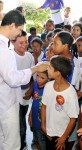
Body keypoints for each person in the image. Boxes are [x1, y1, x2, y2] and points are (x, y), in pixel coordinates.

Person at [0, 10, 48, 150]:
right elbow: (13, 79)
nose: (19, 33)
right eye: (20, 30)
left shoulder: (5, 46)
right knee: (11, 143)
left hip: (4, 100)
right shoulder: (3, 50)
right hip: (5, 103)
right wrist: (35, 69)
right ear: (12, 25)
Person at [41, 55, 79, 150]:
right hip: (48, 131)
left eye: (50, 67)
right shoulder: (48, 86)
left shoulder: (70, 93)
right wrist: (43, 126)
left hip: (61, 135)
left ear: (58, 73)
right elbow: (44, 106)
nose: (47, 68)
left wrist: (63, 137)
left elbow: (73, 118)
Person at [11, 30, 35, 150]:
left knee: (22, 120)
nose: (24, 45)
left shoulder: (29, 56)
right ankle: (21, 144)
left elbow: (32, 76)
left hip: (26, 95)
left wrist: (30, 89)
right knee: (18, 122)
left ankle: (23, 142)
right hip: (13, 97)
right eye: (21, 43)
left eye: (26, 42)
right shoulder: (10, 57)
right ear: (12, 42)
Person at [28, 71, 49, 150]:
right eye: (37, 76)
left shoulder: (48, 89)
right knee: (36, 140)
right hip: (35, 120)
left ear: (48, 78)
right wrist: (30, 115)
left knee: (42, 142)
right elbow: (34, 101)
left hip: (43, 123)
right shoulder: (35, 85)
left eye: (42, 78)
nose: (38, 79)